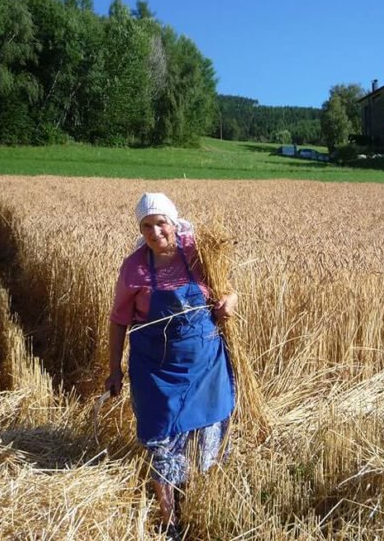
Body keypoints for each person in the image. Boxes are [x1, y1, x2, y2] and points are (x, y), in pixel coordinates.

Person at [105, 192, 237, 534]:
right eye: (146, 225)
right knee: (160, 437)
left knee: (203, 434)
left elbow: (231, 290)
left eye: (160, 222)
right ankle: (169, 522)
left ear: (173, 222)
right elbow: (119, 320)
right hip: (155, 370)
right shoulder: (134, 266)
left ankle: (195, 500)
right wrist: (114, 369)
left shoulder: (199, 253)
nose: (155, 232)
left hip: (203, 364)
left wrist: (228, 303)